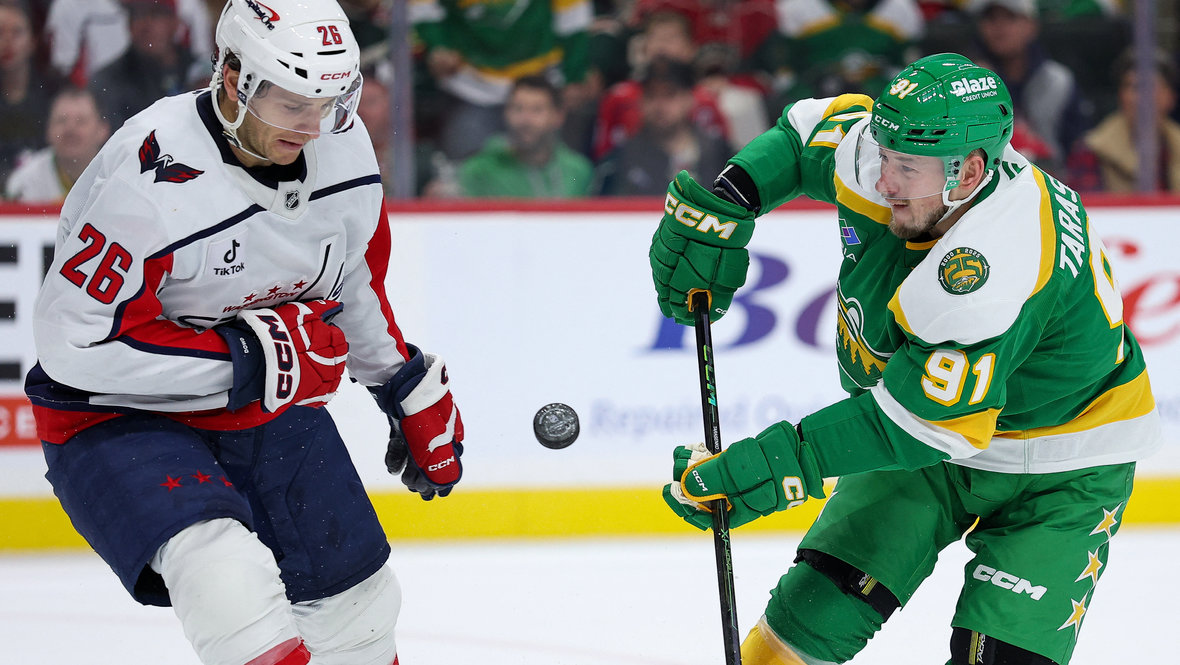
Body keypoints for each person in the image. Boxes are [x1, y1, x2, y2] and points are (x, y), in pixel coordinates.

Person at [650, 53, 1160, 665]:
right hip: (931, 445)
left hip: (1063, 466)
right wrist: (728, 203)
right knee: (808, 619)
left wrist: (773, 465)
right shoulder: (898, 157)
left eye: (906, 167)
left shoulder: (992, 264)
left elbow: (919, 423)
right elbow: (803, 137)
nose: (884, 179)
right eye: (884, 154)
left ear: (969, 173)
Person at [24, 1, 465, 664]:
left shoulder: (341, 148)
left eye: (329, 103)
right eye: (294, 105)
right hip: (118, 415)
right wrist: (252, 359)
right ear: (233, 79)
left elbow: (352, 280)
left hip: (262, 407)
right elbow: (75, 346)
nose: (314, 127)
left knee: (360, 611)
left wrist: (400, 381)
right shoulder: (149, 175)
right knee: (226, 581)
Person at [410, 0, 592, 161]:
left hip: (539, 81)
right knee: (463, 169)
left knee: (557, 165)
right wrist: (438, 44)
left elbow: (573, 16)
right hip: (473, 86)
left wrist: (574, 74)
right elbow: (423, 6)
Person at [967, 0, 1090, 176]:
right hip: (987, 182)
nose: (999, 26)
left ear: (1032, 25)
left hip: (1051, 183)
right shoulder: (968, 82)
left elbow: (1078, 151)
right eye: (990, 17)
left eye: (1010, 17)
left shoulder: (1058, 80)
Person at [597, 57, 732, 196]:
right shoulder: (619, 162)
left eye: (669, 95)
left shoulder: (721, 155)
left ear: (689, 99)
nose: (659, 105)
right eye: (651, 96)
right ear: (640, 101)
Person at [458, 75, 594, 198]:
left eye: (537, 110)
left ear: (558, 116)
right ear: (505, 113)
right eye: (518, 108)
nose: (525, 120)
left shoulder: (578, 171)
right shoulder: (479, 171)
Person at [1067, 48, 1180, 193]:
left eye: (1149, 87)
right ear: (1120, 95)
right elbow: (1084, 204)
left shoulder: (1174, 146)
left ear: (1170, 97)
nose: (1138, 98)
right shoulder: (1091, 151)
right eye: (1131, 87)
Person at [89, 0, 208, 131]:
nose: (145, 25)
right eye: (137, 15)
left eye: (155, 14)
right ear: (128, 24)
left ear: (175, 22)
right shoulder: (107, 81)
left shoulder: (202, 72)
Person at [5, 86, 110, 202]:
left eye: (81, 121)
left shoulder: (116, 174)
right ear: (48, 130)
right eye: (61, 121)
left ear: (103, 130)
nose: (70, 129)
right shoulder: (25, 182)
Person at [0, 0, 59, 185]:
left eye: (16, 32)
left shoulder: (56, 92)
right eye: (0, 32)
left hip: (46, 189)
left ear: (33, 40)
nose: (7, 42)